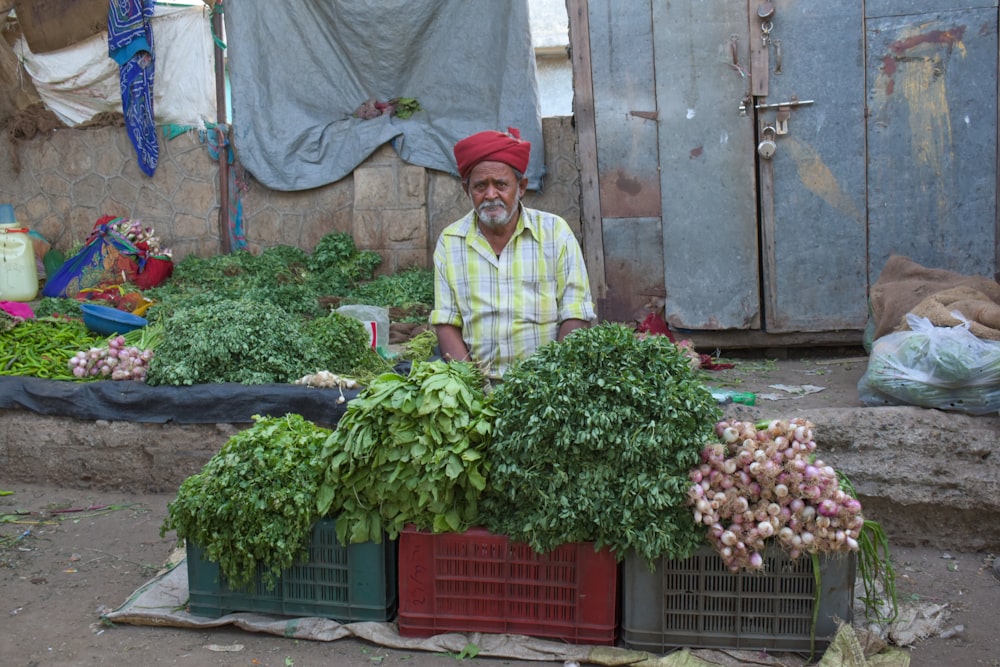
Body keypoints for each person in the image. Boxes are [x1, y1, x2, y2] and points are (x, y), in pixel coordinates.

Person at [429, 127, 596, 378]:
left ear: (521, 187)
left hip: (545, 383)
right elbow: (446, 321)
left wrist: (552, 382)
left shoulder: (554, 232)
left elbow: (576, 313)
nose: (490, 194)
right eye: (480, 186)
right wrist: (469, 386)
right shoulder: (450, 242)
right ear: (467, 191)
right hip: (478, 385)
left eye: (501, 184)